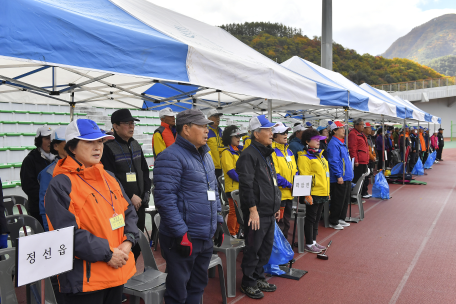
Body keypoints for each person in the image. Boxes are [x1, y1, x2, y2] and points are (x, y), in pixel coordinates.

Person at [45, 119, 139, 304]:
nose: (97, 147)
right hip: (85, 281)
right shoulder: (61, 184)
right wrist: (109, 254)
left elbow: (128, 212)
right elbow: (67, 234)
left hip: (117, 270)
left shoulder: (109, 177)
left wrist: (128, 242)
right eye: (89, 142)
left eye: (100, 141)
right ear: (72, 148)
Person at [153, 109, 224, 304]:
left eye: (207, 126)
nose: (206, 130)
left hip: (204, 235)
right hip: (183, 238)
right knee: (178, 292)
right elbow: (164, 199)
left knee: (198, 286)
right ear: (186, 129)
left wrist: (218, 219)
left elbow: (214, 190)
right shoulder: (170, 157)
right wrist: (181, 233)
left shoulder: (205, 155)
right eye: (201, 126)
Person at [237, 115, 281, 299]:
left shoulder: (265, 153)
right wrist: (253, 210)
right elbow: (246, 186)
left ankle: (258, 277)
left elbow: (270, 182)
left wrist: (275, 205)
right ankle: (248, 282)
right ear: (256, 134)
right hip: (256, 212)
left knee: (265, 248)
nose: (272, 133)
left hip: (268, 211)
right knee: (253, 248)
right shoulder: (248, 155)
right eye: (268, 130)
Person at [101, 109, 151, 261]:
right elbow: (110, 178)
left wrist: (146, 191)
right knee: (124, 242)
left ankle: (132, 275)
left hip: (140, 204)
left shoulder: (135, 144)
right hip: (122, 207)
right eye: (127, 124)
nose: (131, 127)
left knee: (137, 243)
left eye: (132, 123)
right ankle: (126, 280)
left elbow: (144, 170)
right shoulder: (108, 147)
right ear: (115, 126)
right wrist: (129, 197)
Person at [297, 128, 329, 253]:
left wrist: (328, 191)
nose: (318, 141)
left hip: (323, 192)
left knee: (316, 218)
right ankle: (309, 243)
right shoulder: (304, 157)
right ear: (307, 141)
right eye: (315, 139)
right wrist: (306, 194)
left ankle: (314, 241)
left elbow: (325, 175)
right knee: (311, 218)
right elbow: (304, 176)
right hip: (313, 192)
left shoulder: (320, 155)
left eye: (319, 139)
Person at [20, 126, 54, 228]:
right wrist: (47, 197)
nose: (50, 141)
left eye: (51, 138)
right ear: (39, 141)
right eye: (46, 138)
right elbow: (28, 186)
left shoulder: (58, 157)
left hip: (56, 207)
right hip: (38, 209)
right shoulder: (30, 160)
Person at [38, 127, 67, 232]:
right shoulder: (49, 172)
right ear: (56, 146)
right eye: (67, 141)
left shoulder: (83, 167)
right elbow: (45, 206)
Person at [271, 122, 297, 241]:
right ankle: (278, 252)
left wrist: (296, 183)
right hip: (279, 195)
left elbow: (295, 170)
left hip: (289, 195)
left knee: (286, 223)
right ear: (274, 136)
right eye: (282, 133)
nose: (286, 135)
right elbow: (275, 174)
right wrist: (290, 185)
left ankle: (284, 248)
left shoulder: (289, 151)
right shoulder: (271, 152)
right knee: (279, 223)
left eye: (286, 132)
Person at [326, 121, 353, 230]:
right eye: (341, 128)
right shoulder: (333, 144)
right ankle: (333, 220)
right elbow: (334, 161)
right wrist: (338, 175)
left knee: (344, 199)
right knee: (338, 199)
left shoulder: (341, 142)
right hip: (339, 177)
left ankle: (341, 218)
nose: (343, 130)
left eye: (343, 127)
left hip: (345, 176)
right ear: (334, 131)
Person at [221, 125, 245, 237]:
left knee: (240, 212)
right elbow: (230, 172)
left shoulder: (238, 151)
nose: (239, 138)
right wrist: (243, 180)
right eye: (236, 136)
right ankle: (232, 233)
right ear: (229, 138)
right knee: (234, 212)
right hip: (232, 188)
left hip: (240, 187)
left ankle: (238, 232)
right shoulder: (227, 153)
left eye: (239, 136)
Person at [348, 118, 370, 198]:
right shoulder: (353, 134)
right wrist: (355, 160)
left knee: (362, 179)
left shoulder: (361, 134)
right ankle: (354, 197)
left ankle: (360, 194)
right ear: (356, 125)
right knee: (357, 179)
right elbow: (352, 148)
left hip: (364, 160)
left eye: (363, 124)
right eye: (361, 124)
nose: (363, 126)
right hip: (359, 161)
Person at [206, 109, 224, 180]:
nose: (218, 118)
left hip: (221, 166)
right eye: (215, 116)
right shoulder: (206, 131)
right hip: (210, 166)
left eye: (218, 116)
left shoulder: (221, 131)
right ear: (209, 118)